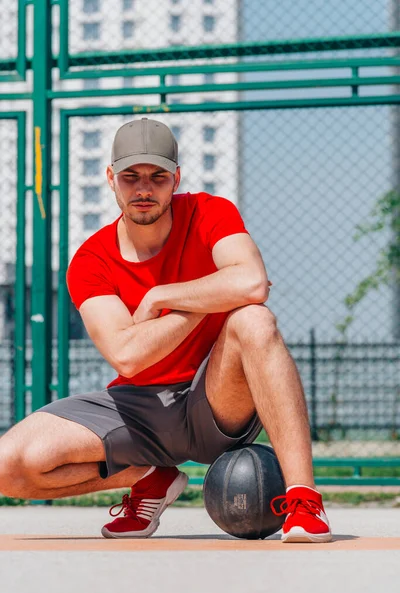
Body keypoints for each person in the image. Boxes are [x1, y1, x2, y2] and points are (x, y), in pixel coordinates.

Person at [0, 118, 331, 543]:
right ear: (110, 179)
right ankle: (152, 476)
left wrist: (160, 297)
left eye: (157, 177)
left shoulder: (210, 211)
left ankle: (303, 500)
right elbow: (127, 355)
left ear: (176, 178)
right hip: (137, 407)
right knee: (9, 466)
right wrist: (206, 298)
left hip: (215, 397)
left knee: (254, 319)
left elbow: (251, 283)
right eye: (130, 177)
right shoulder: (90, 260)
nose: (144, 189)